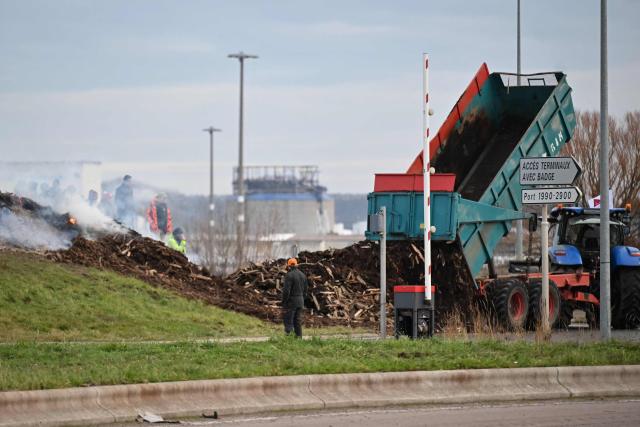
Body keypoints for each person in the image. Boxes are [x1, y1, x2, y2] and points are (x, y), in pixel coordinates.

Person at [282, 258, 308, 338]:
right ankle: (299, 337)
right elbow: (306, 290)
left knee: (288, 319)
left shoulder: (289, 275)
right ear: (296, 265)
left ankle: (288, 338)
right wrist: (302, 298)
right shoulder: (303, 275)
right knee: (297, 320)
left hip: (292, 301)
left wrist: (284, 301)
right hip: (300, 301)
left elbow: (286, 291)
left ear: (289, 266)